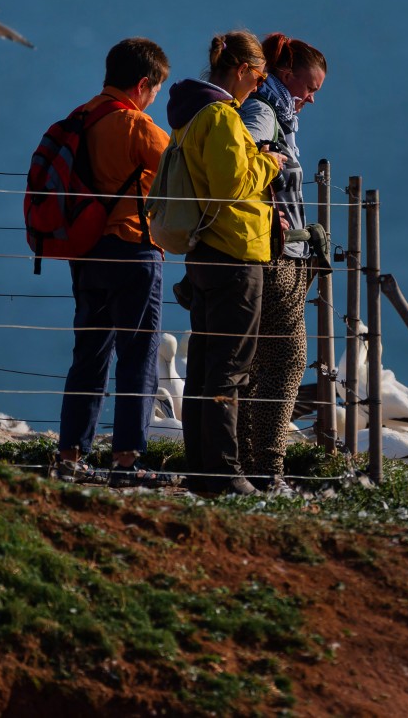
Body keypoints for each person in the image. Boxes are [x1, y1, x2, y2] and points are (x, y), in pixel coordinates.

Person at [166, 30, 281, 495]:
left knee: (204, 367)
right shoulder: (220, 116)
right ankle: (225, 473)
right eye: (257, 77)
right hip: (234, 251)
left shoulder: (190, 115)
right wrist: (269, 161)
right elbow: (233, 184)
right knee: (230, 369)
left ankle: (203, 468)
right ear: (240, 71)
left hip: (206, 252)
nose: (257, 87)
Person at [57, 37, 172, 487]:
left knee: (89, 353)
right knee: (139, 352)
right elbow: (180, 173)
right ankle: (126, 460)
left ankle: (70, 452)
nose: (154, 99)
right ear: (143, 84)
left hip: (86, 252)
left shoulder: (80, 118)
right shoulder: (136, 125)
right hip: (133, 249)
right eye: (156, 91)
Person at [236, 33, 327, 487]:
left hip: (272, 252)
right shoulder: (262, 111)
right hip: (274, 254)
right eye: (308, 87)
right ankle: (268, 472)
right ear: (284, 74)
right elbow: (237, 164)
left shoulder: (277, 113)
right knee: (286, 361)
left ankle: (245, 464)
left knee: (254, 364)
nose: (311, 99)